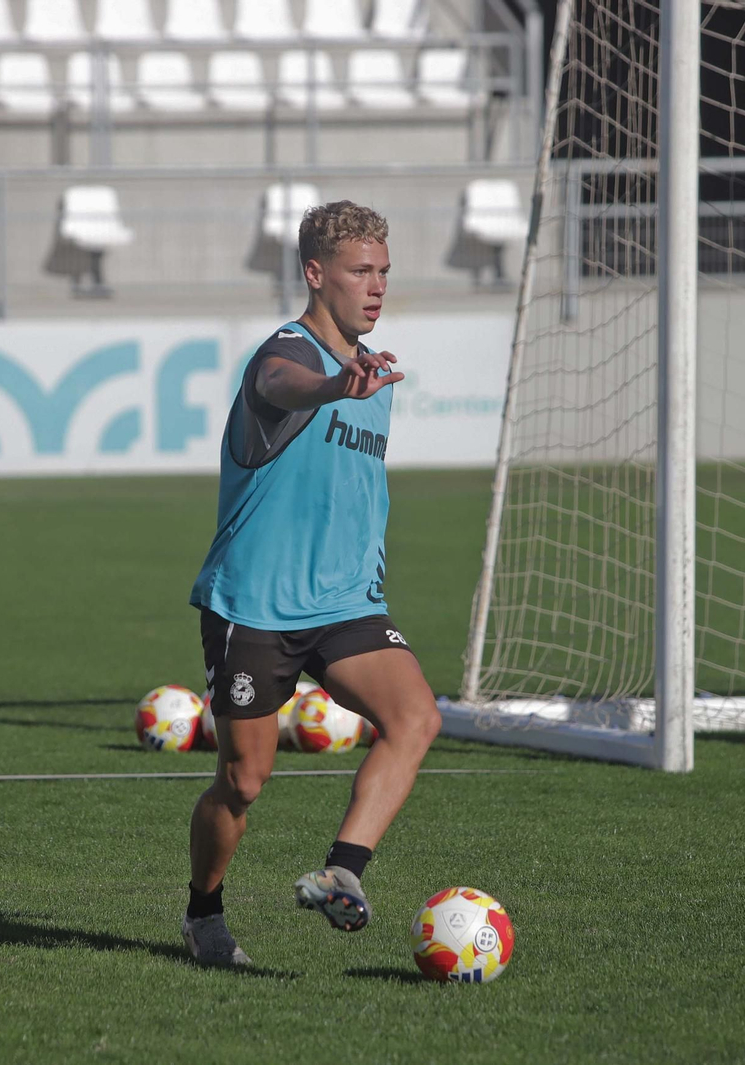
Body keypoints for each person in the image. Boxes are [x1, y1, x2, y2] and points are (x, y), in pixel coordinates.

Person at [182, 201, 442, 966]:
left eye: (385, 271)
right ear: (316, 273)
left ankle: (344, 870)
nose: (377, 286)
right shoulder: (283, 357)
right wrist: (332, 387)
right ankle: (203, 912)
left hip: (345, 604)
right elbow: (284, 382)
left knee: (417, 717)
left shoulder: (378, 376)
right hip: (253, 606)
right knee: (243, 782)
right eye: (362, 271)